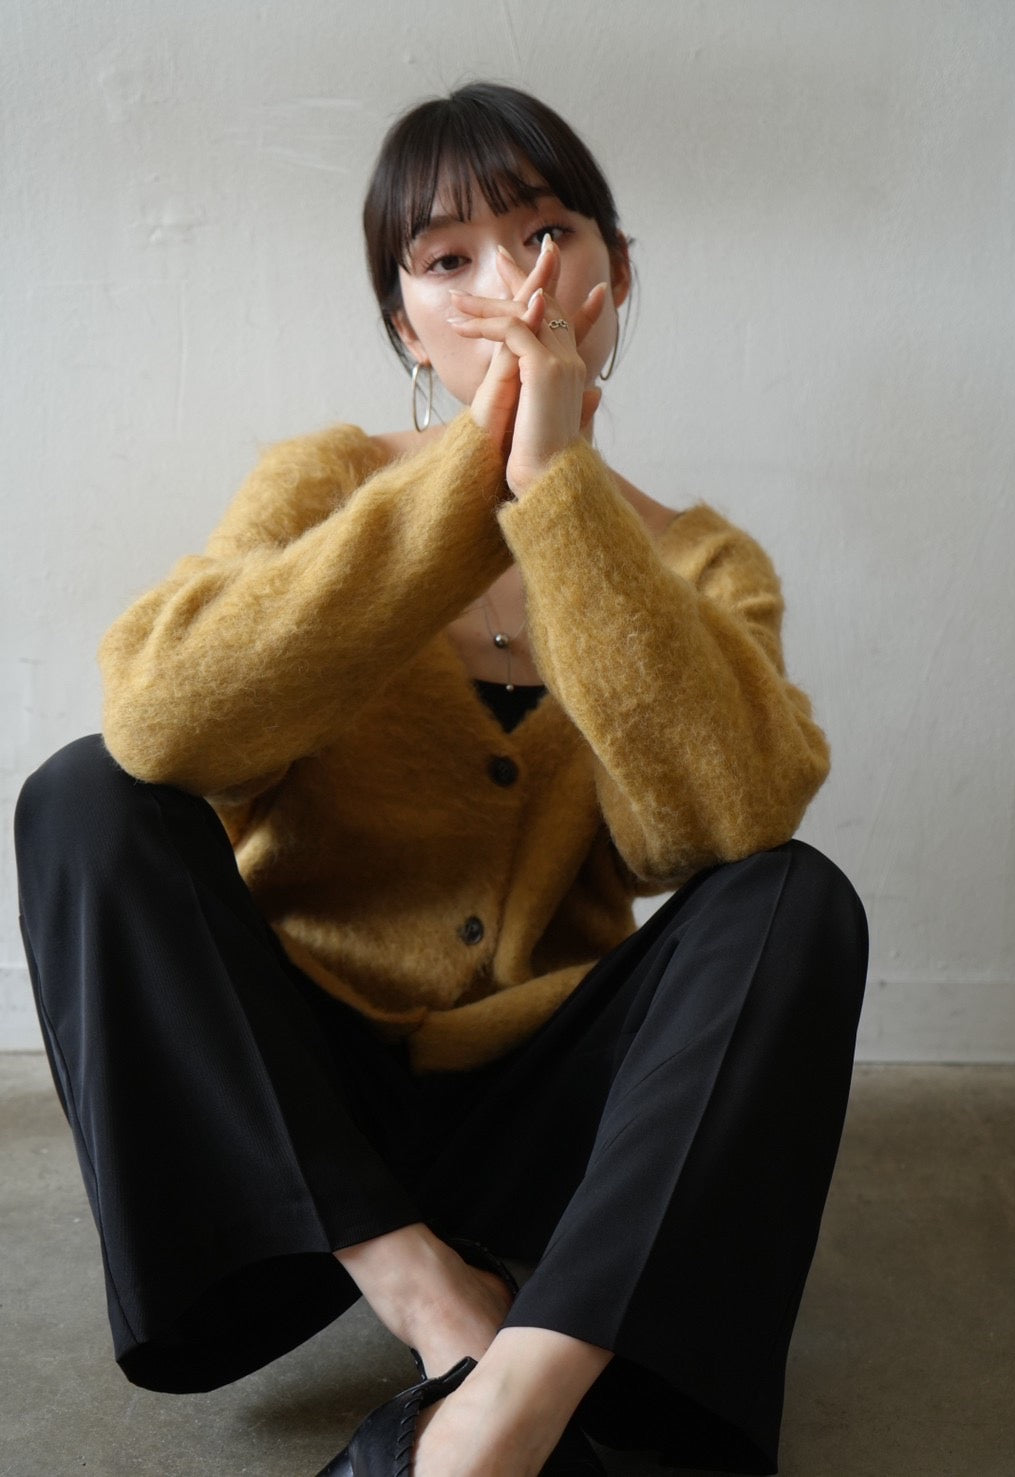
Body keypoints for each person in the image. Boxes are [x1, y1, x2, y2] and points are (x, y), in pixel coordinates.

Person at [14, 82, 869, 1477]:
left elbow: (716, 826)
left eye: (543, 235)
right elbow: (166, 725)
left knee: (796, 896)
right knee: (81, 795)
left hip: (547, 1115)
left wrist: (560, 495)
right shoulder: (321, 484)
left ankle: (501, 1414)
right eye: (447, 259)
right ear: (405, 323)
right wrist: (471, 478)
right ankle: (440, 1308)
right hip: (304, 1101)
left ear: (613, 275)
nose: (506, 289)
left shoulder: (702, 560)